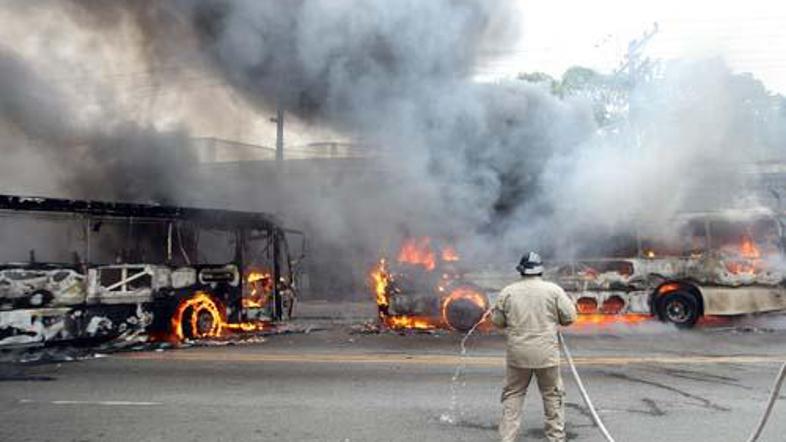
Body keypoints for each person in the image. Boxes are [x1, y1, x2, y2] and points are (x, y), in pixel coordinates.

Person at [491, 252, 577, 442]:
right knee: (552, 395)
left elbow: (498, 322)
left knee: (513, 394)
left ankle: (507, 438)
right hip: (546, 354)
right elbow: (569, 318)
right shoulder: (553, 290)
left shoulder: (508, 292)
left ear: (521, 270)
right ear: (540, 270)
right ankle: (555, 437)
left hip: (518, 354)